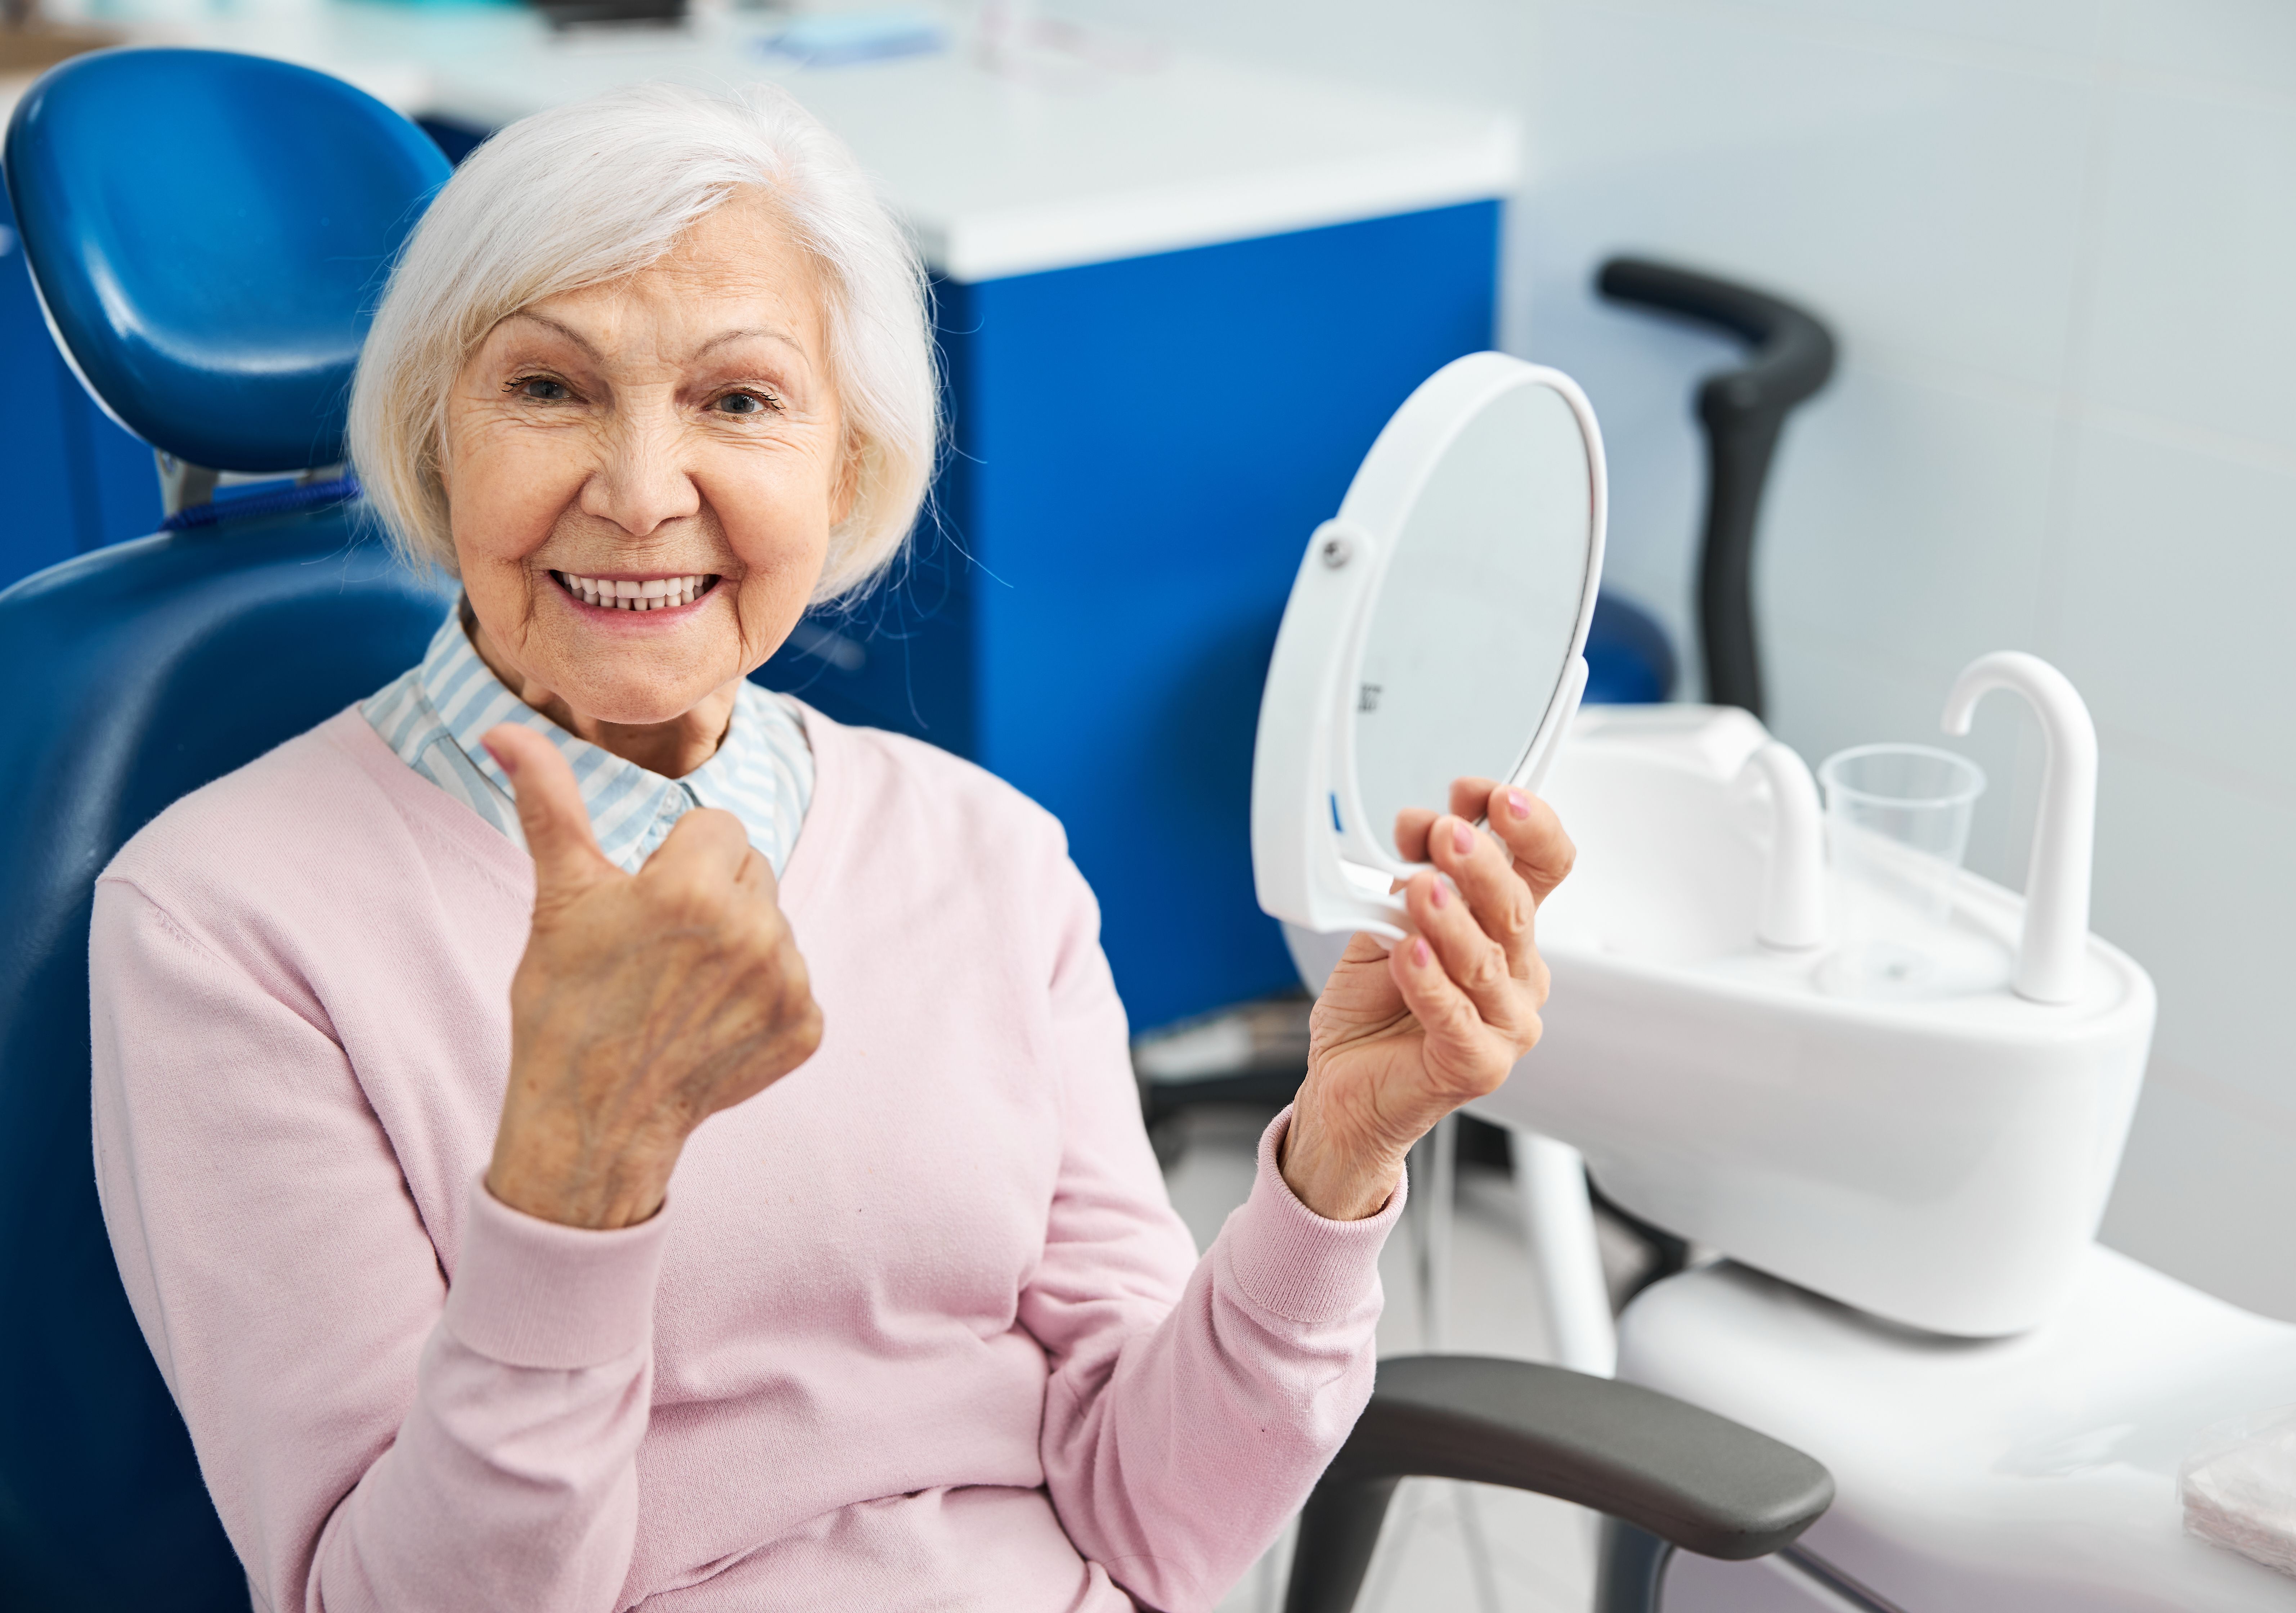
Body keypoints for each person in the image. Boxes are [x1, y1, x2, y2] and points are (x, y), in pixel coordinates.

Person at [87, 80, 1573, 1613]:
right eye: (548, 389)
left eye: (737, 402)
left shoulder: (990, 856)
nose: (643, 490)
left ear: (846, 470)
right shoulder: (223, 926)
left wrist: (1334, 1165)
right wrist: (574, 1177)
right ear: (436, 435)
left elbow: (1151, 1522)